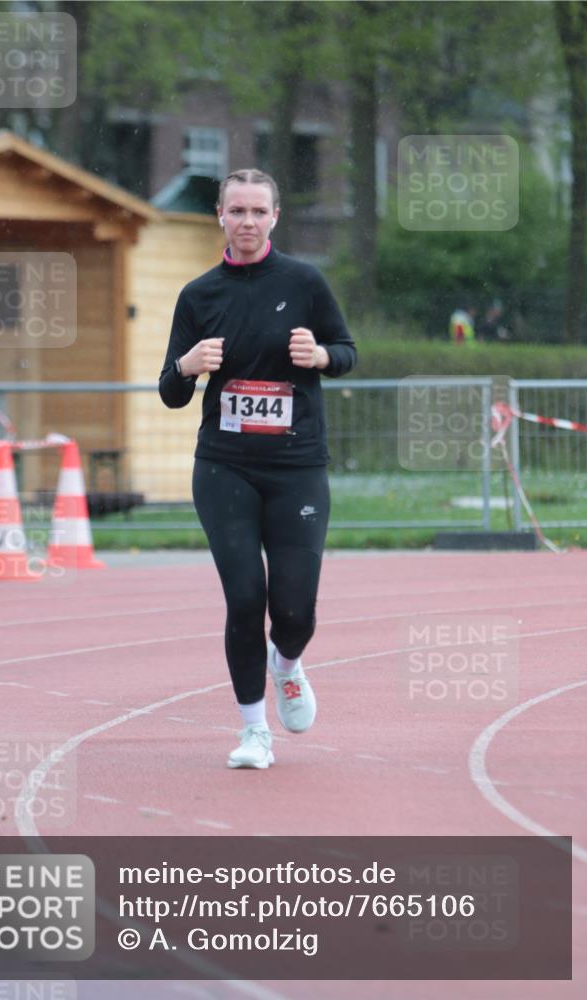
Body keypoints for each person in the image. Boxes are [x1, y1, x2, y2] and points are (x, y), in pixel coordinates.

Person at [159, 168, 357, 769]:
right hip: (224, 467)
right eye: (236, 211)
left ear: (275, 217)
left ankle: (288, 665)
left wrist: (321, 355)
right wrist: (188, 365)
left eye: (258, 212)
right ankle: (253, 732)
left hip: (296, 465)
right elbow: (170, 391)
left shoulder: (304, 282)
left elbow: (347, 352)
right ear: (219, 216)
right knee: (245, 598)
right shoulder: (199, 295)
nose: (247, 222)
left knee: (294, 609)